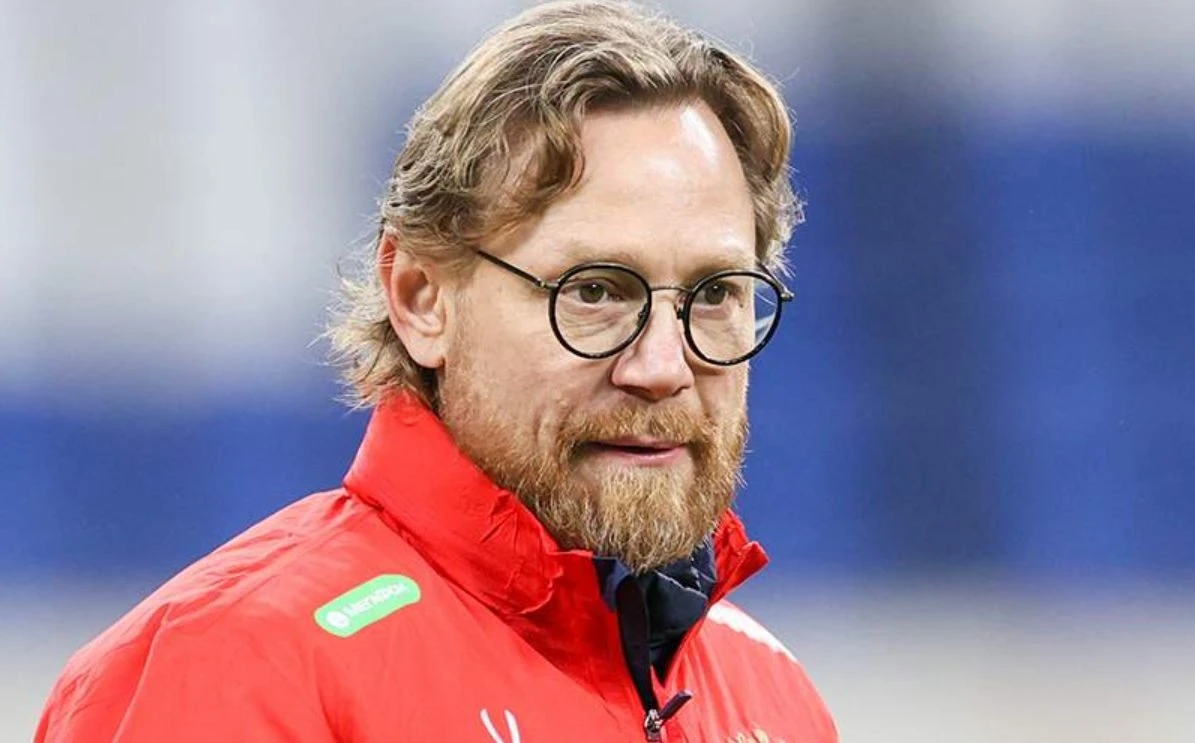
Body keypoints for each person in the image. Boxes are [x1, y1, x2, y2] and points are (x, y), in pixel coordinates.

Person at [37, 1, 838, 740]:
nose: (662, 366)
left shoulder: (772, 695)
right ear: (421, 298)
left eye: (716, 294)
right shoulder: (229, 671)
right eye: (595, 291)